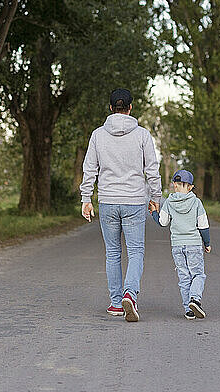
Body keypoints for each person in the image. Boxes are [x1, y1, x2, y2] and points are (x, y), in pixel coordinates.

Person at [80, 88, 162, 322]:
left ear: (110, 108)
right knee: (136, 252)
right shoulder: (143, 135)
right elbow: (152, 170)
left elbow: (89, 169)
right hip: (135, 201)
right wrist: (155, 198)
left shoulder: (98, 135)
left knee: (113, 253)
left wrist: (86, 199)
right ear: (130, 108)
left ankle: (117, 303)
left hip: (107, 201)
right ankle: (130, 294)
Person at [149, 169, 211, 320]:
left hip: (177, 245)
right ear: (190, 187)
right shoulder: (196, 202)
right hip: (194, 245)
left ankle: (188, 310)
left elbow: (163, 222)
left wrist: (153, 213)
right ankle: (195, 299)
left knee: (184, 277)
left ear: (174, 186)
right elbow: (203, 225)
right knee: (197, 274)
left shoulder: (169, 202)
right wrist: (207, 243)